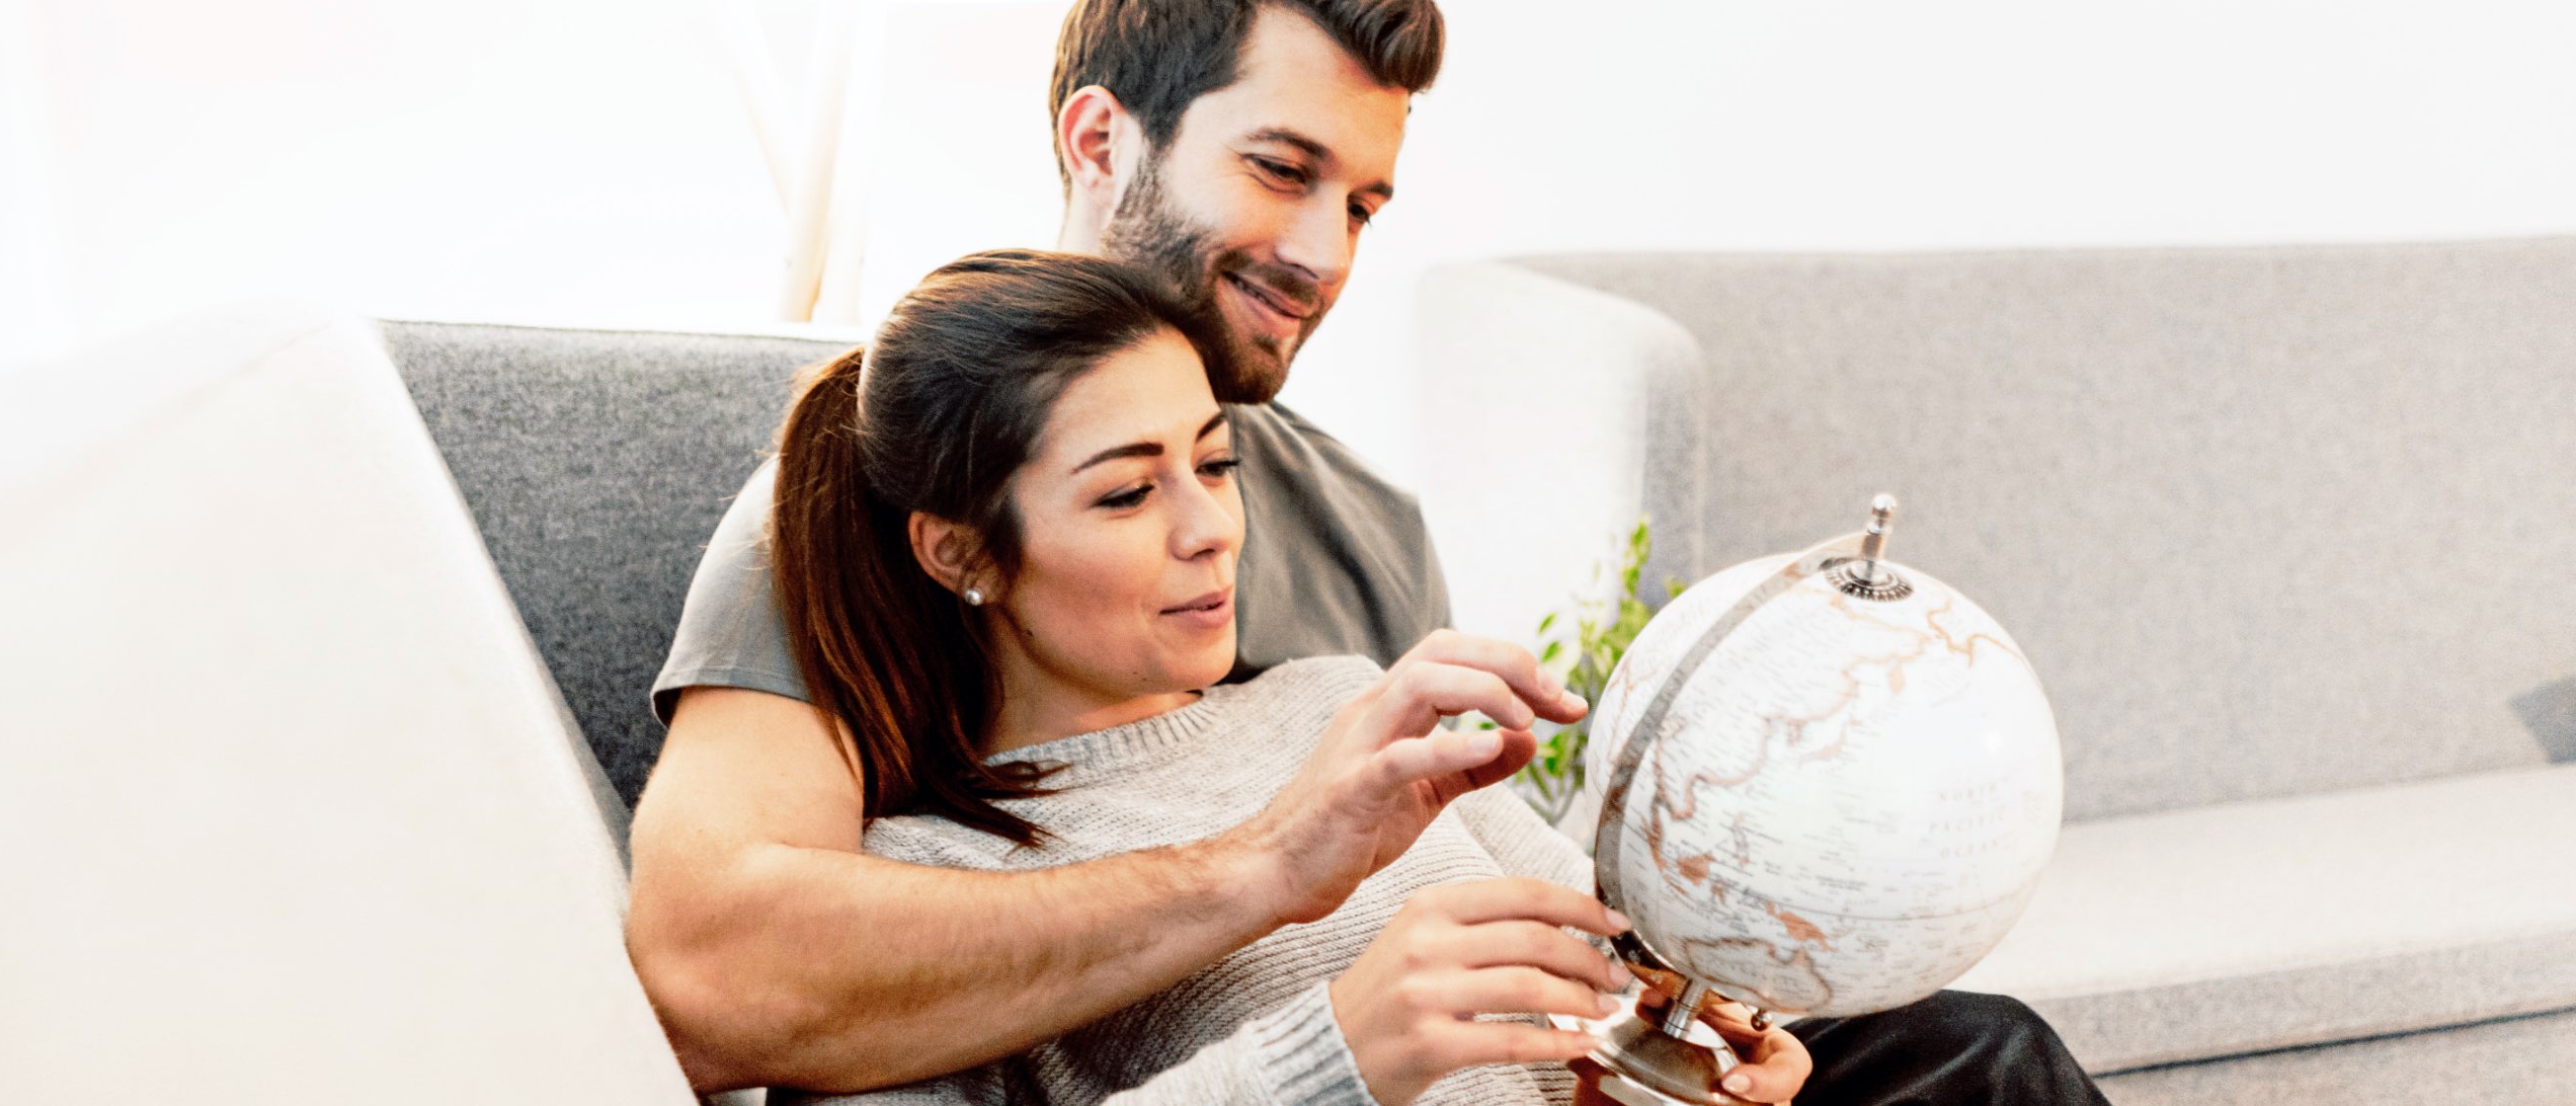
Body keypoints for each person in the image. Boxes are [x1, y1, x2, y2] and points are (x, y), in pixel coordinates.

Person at [625, 2, 2112, 1102]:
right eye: (1281, 169)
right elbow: (715, 978)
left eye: (1366, 202)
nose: (1328, 258)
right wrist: (1275, 880)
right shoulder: (853, 510)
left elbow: (1533, 979)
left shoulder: (1359, 531)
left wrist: (1650, 1040)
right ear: (1100, 139)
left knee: (1975, 1055)